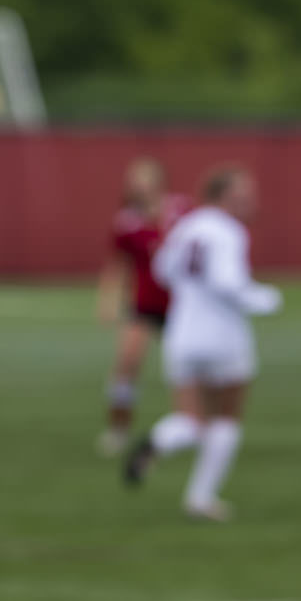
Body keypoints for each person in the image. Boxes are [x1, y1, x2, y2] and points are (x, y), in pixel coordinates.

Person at [123, 165, 282, 521]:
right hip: (223, 337)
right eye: (244, 196)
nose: (251, 203)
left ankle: (159, 441)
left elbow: (163, 270)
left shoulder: (186, 225)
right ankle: (201, 496)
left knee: (191, 420)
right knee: (226, 418)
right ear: (225, 198)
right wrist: (265, 299)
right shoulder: (228, 231)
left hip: (182, 334)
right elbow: (228, 282)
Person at [96, 157, 187, 457]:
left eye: (145, 178)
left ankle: (191, 426)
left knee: (186, 369)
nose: (139, 185)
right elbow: (118, 264)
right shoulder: (127, 222)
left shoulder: (181, 210)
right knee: (127, 363)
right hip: (145, 305)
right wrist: (108, 299)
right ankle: (118, 429)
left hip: (182, 307)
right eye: (135, 180)